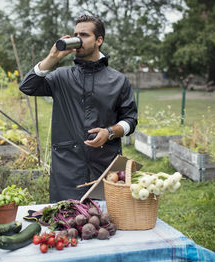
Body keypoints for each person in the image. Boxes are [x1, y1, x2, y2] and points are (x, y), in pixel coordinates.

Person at [19, 14, 137, 202]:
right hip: (67, 168)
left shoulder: (118, 80)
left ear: (99, 40)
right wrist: (52, 57)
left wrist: (110, 132)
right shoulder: (61, 77)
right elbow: (27, 87)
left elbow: (130, 120)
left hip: (105, 166)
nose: (78, 39)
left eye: (84, 35)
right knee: (66, 225)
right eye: (76, 34)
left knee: (107, 224)